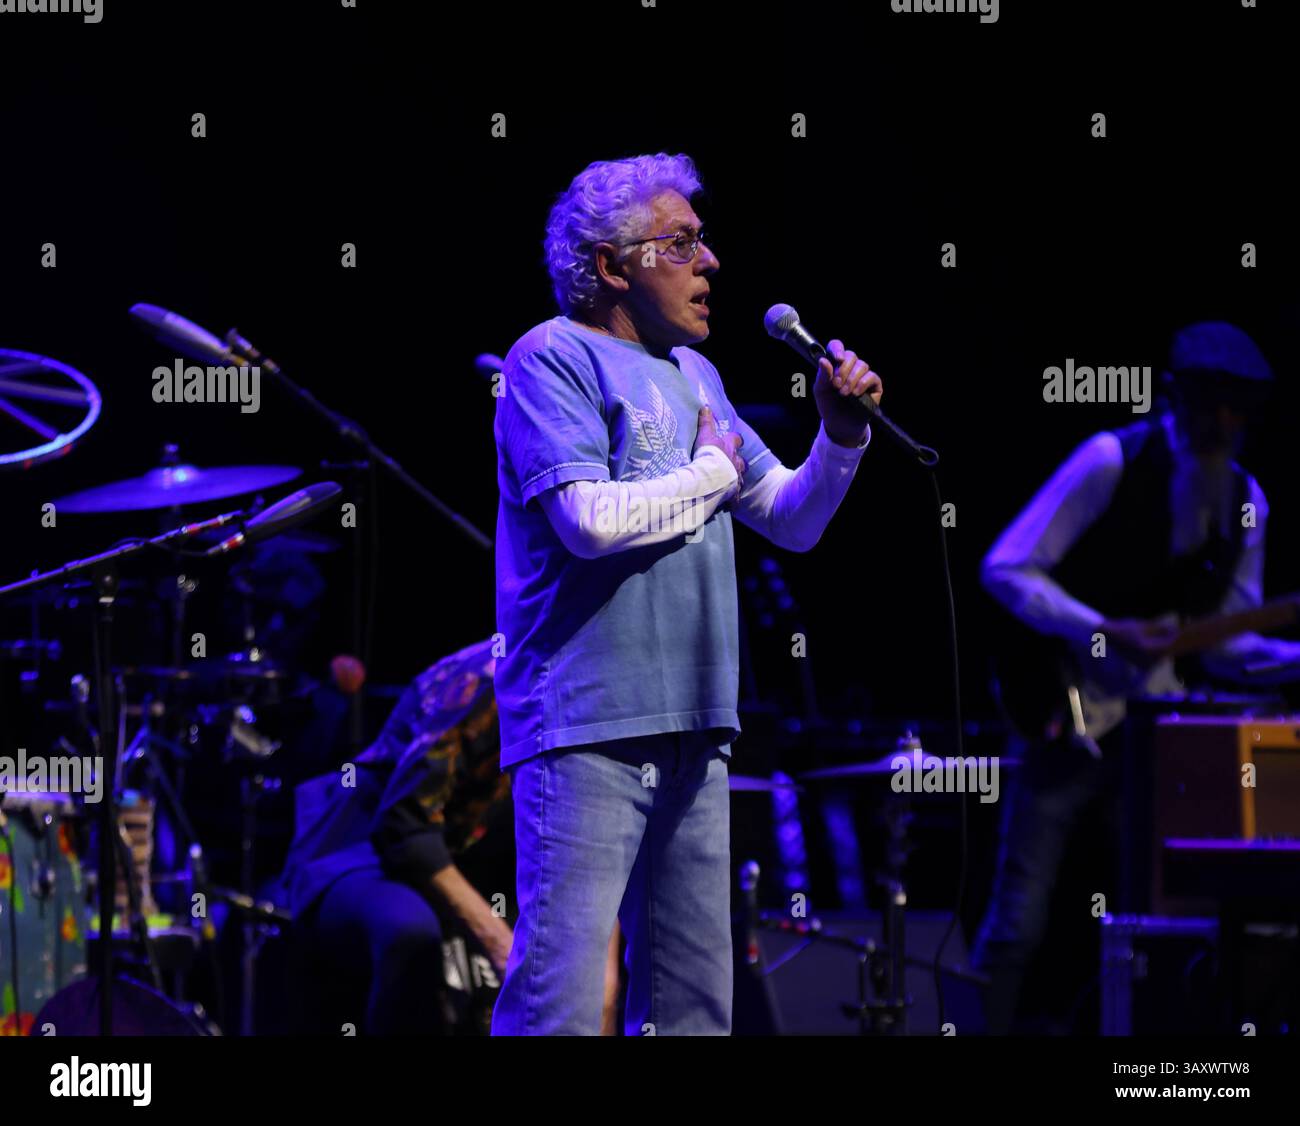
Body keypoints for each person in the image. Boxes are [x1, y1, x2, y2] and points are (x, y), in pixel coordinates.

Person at [490, 152, 882, 1035]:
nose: (712, 264)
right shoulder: (550, 356)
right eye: (684, 243)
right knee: (556, 999)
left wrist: (841, 437)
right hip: (586, 723)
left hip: (698, 722)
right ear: (611, 264)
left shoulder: (698, 378)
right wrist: (711, 469)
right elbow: (589, 519)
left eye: (704, 243)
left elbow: (791, 517)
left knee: (695, 1009)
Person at [970, 320, 1300, 1034]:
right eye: (1210, 402)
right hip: (1066, 714)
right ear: (1176, 394)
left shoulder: (1248, 501)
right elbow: (1006, 567)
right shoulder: (1111, 459)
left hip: (1158, 738)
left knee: (1163, 924)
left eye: (1237, 407)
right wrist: (1100, 627)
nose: (1222, 423)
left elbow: (1225, 647)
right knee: (1019, 924)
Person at [283, 638, 622, 1034]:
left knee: (573, 963)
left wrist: (603, 971)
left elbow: (597, 833)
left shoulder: (604, 686)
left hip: (465, 856)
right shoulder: (488, 679)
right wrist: (500, 945)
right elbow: (403, 825)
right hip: (361, 849)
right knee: (408, 931)